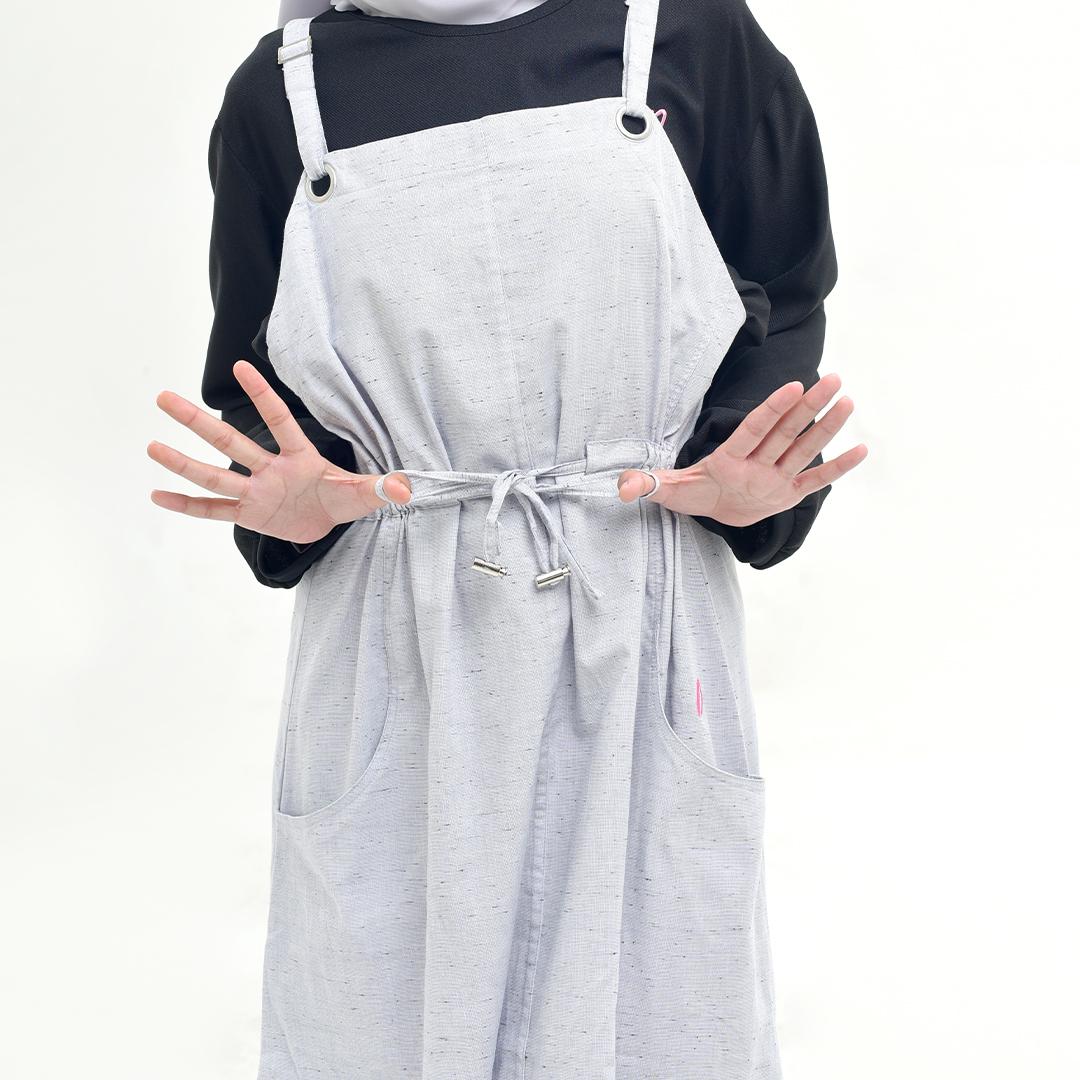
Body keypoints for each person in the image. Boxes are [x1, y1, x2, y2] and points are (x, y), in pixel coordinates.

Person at [148, 1, 867, 1076]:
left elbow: (785, 292)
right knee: (378, 1024)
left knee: (656, 1022)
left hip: (642, 610)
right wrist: (291, 494)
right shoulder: (281, 96)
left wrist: (746, 462)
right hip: (395, 648)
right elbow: (255, 391)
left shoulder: (684, 33)